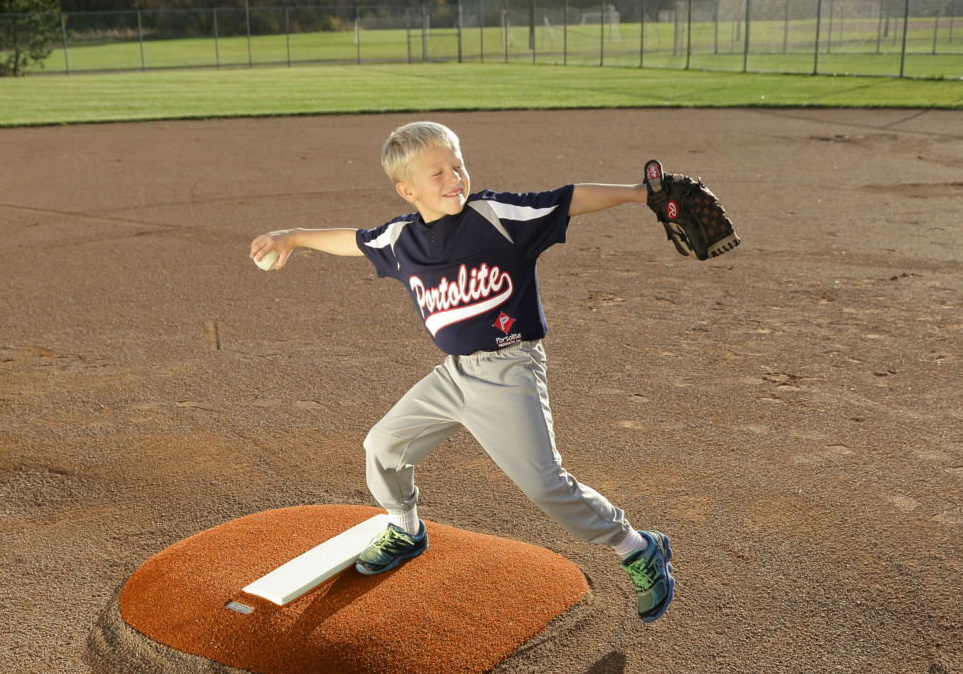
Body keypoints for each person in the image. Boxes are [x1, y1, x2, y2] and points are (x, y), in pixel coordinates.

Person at [249, 122, 674, 622]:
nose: (455, 178)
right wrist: (292, 237)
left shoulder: (494, 216)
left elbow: (565, 199)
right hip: (453, 377)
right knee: (382, 447)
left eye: (458, 165)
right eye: (438, 173)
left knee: (544, 485)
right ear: (407, 190)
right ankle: (406, 529)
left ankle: (636, 545)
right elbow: (353, 240)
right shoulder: (401, 239)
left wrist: (637, 193)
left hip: (509, 369)